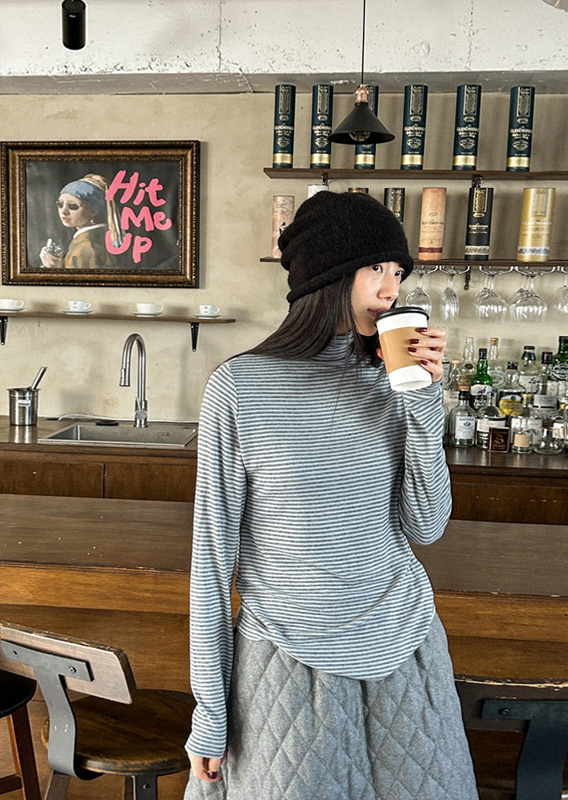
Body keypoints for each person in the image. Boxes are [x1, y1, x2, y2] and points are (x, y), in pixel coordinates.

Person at [184, 191, 478, 800]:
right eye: (377, 268)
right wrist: (210, 711)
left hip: (406, 644)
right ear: (328, 274)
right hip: (285, 657)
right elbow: (211, 564)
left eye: (399, 273)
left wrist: (424, 402)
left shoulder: (395, 384)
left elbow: (426, 526)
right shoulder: (241, 387)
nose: (392, 289)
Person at [39, 173, 122, 269]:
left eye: (73, 206)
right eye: (60, 204)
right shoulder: (100, 236)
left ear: (93, 211)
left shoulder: (85, 247)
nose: (64, 211)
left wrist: (57, 268)